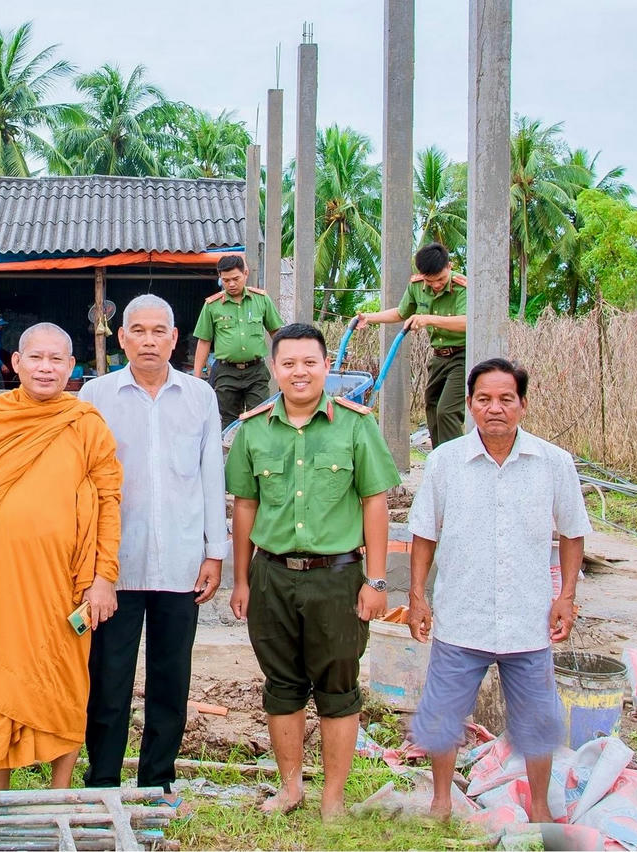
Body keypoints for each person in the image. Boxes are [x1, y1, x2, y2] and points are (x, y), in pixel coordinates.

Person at [0, 322, 123, 791]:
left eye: (57, 359)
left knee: (66, 679)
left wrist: (104, 575)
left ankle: (60, 790)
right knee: (0, 676)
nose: (46, 367)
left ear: (72, 368)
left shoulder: (86, 423)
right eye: (36, 357)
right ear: (15, 363)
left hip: (65, 580)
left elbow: (110, 498)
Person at [224, 323, 401, 816]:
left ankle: (333, 798)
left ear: (327, 367)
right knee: (281, 684)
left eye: (309, 362)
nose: (299, 372)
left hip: (338, 578)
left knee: (338, 688)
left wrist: (378, 580)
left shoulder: (355, 423)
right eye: (288, 363)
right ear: (273, 369)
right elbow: (244, 507)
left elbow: (374, 502)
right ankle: (291, 788)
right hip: (272, 577)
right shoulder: (253, 428)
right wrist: (241, 580)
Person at [406, 358, 591, 822]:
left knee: (536, 722)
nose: (495, 409)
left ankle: (542, 812)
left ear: (522, 405)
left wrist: (565, 596)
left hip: (528, 619)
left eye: (506, 399)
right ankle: (442, 802)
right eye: (484, 400)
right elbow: (425, 532)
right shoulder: (446, 461)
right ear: (469, 405)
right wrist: (416, 597)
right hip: (460, 614)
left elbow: (572, 533)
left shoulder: (553, 462)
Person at [78, 295, 226, 805]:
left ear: (174, 336)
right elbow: (83, 484)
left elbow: (211, 475)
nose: (147, 340)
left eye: (157, 330)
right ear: (120, 338)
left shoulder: (199, 396)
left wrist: (214, 551)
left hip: (182, 563)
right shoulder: (95, 396)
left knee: (171, 679)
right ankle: (101, 782)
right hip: (114, 568)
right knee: (108, 679)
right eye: (136, 330)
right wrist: (90, 563)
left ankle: (158, 781)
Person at [355, 242, 467, 448]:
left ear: (449, 267)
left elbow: (468, 322)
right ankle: (439, 460)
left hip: (463, 356)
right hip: (439, 357)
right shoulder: (416, 285)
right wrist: (369, 318)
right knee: (432, 406)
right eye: (430, 281)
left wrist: (429, 319)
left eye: (441, 279)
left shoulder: (462, 287)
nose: (435, 285)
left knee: (447, 410)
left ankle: (455, 464)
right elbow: (401, 312)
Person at [192, 254, 284, 430]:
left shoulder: (261, 299)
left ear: (246, 273)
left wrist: (285, 362)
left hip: (256, 371)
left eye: (236, 278)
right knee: (228, 421)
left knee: (260, 417)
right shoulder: (212, 305)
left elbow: (277, 333)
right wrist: (196, 378)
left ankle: (256, 455)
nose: (231, 284)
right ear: (220, 279)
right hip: (226, 372)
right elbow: (204, 341)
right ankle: (230, 456)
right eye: (226, 280)